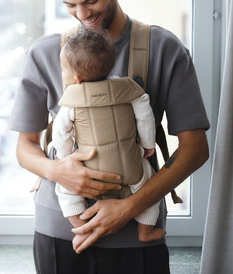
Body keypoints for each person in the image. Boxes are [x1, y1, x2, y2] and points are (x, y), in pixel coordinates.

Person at [8, 0, 210, 272]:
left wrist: (130, 207)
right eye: (70, 5)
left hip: (137, 233)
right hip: (60, 232)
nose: (83, 14)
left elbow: (196, 149)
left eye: (91, 0)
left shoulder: (164, 49)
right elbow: (24, 146)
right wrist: (57, 171)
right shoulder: (44, 54)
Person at [52, 28, 166, 248]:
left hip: (90, 170)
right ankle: (146, 230)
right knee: (151, 188)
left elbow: (61, 132)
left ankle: (81, 228)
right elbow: (145, 116)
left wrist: (65, 157)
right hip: (131, 169)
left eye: (63, 70)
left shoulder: (72, 102)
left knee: (65, 189)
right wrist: (148, 144)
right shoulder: (128, 89)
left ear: (76, 78)